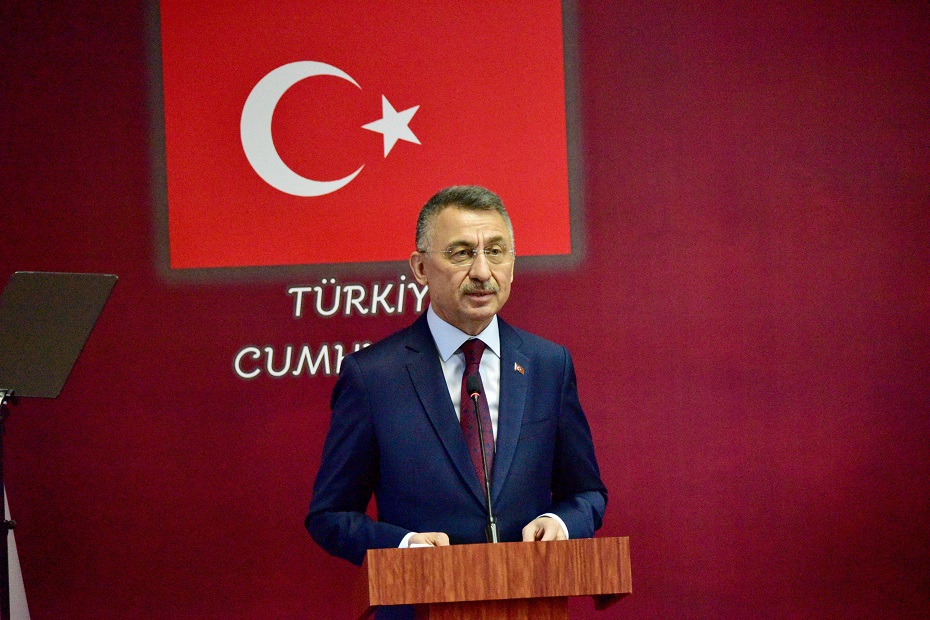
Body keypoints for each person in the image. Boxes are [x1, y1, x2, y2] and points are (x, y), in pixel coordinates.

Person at [306, 186, 606, 617]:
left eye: (496, 252)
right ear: (420, 268)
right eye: (462, 253)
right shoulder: (373, 377)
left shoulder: (548, 364)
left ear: (513, 264)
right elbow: (330, 515)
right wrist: (403, 547)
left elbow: (587, 492)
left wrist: (560, 523)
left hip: (531, 605)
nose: (482, 271)